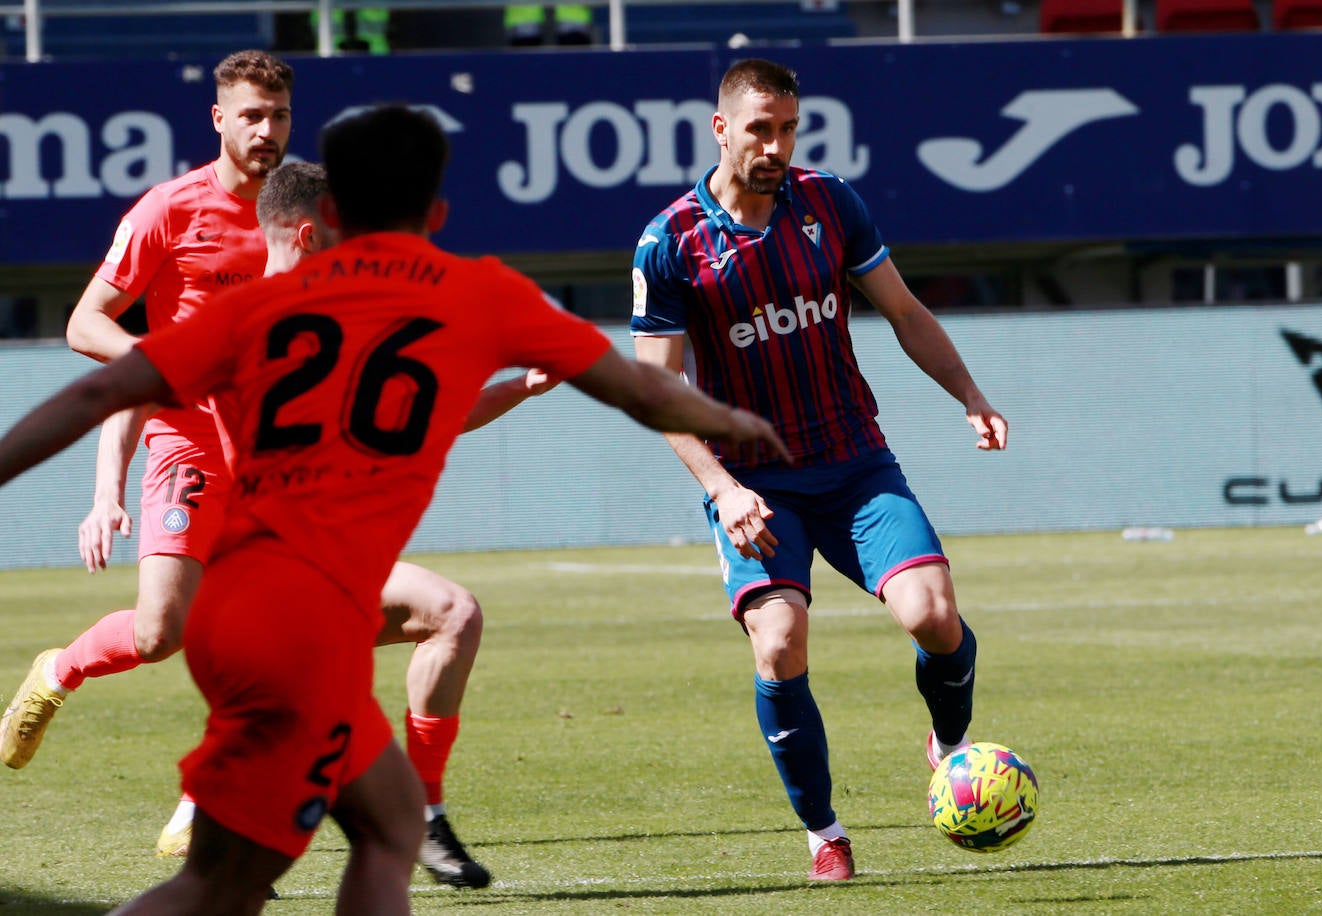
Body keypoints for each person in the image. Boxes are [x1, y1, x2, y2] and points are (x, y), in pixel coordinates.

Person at [0, 103, 788, 914]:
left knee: (388, 825)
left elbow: (99, 388)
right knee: (217, 884)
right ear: (438, 212)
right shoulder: (476, 295)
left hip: (254, 605)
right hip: (299, 617)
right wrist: (730, 423)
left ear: (331, 211)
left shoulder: (251, 312)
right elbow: (639, 386)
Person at [0, 50, 482, 890]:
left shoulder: (315, 213)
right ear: (218, 118)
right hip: (187, 443)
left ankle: (232, 799)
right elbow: (87, 323)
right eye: (251, 114)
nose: (266, 130)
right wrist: (175, 373)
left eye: (280, 115)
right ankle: (59, 671)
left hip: (284, 463)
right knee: (161, 634)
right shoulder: (170, 209)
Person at [630, 58, 1008, 883]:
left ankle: (948, 745)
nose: (777, 144)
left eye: (790, 128)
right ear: (722, 128)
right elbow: (655, 389)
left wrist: (969, 394)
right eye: (761, 128)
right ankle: (825, 833)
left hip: (853, 462)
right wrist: (723, 491)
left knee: (934, 616)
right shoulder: (670, 244)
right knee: (779, 640)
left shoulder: (830, 202)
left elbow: (903, 311)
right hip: (754, 482)